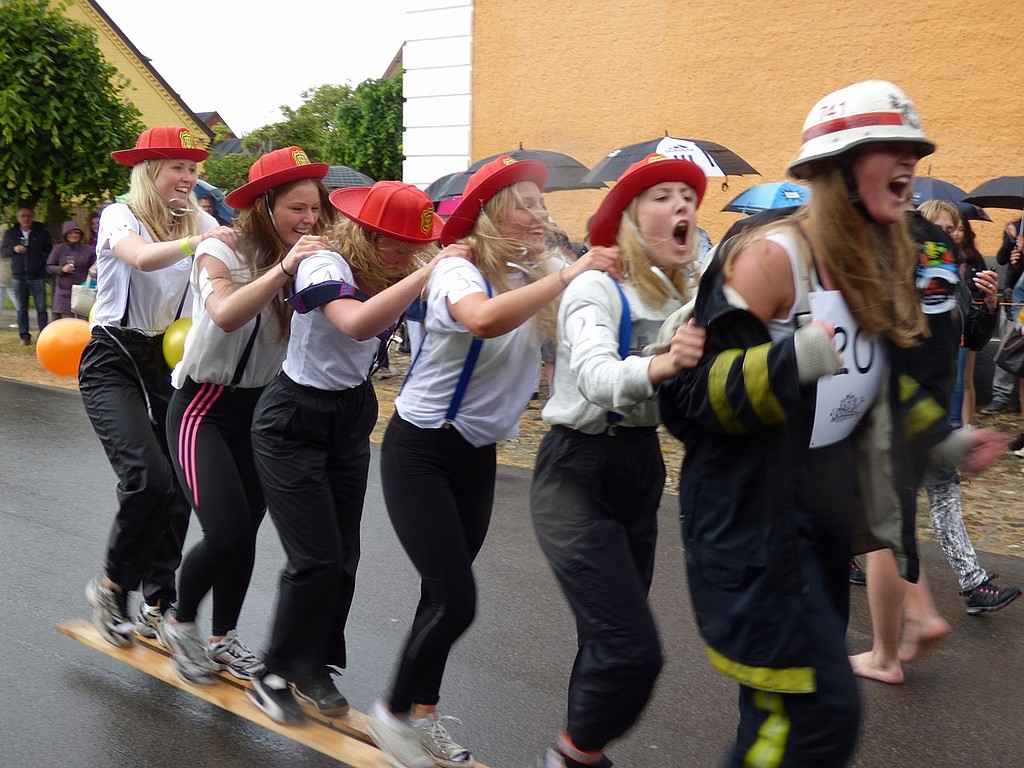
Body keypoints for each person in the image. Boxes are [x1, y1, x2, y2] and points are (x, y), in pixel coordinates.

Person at [658, 80, 1003, 766]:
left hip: (818, 523)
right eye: (890, 148)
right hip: (752, 525)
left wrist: (949, 441)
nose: (909, 162)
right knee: (815, 716)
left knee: (795, 718)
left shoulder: (880, 261)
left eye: (914, 150)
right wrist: (798, 357)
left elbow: (883, 391)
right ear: (836, 169)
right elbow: (688, 399)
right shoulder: (771, 259)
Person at [367, 156, 620, 768]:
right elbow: (481, 320)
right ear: (490, 216)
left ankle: (421, 714)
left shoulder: (540, 269)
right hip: (422, 449)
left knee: (438, 597)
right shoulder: (458, 269)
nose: (540, 213)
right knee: (456, 600)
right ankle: (392, 714)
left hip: (478, 455)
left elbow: (596, 291)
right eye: (524, 203)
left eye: (541, 202)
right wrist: (569, 273)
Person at [246, 178, 458, 725]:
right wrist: (428, 271)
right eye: (394, 244)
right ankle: (272, 673)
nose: (405, 256)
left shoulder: (398, 270)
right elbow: (356, 322)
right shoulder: (323, 262)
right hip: (293, 418)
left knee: (343, 558)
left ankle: (312, 663)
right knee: (314, 558)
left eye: (414, 247)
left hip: (351, 412)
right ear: (366, 233)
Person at [530, 153, 707, 768]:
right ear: (631, 218)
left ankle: (583, 752)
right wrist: (665, 362)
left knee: (604, 639)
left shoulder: (686, 292)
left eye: (688, 196)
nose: (682, 205)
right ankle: (572, 755)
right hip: (575, 471)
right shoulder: (595, 287)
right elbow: (596, 376)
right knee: (632, 650)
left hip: (639, 465)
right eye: (663, 195)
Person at [159, 147, 333, 684]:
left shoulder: (310, 259)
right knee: (227, 530)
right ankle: (179, 622)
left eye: (315, 209)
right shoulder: (222, 249)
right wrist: (285, 268)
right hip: (202, 408)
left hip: (261, 411)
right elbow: (226, 314)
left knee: (247, 532)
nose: (309, 219)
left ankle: (223, 637)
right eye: (296, 208)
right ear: (264, 206)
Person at [81, 126, 235, 648]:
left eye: (193, 169)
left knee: (180, 487)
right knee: (148, 479)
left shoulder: (202, 221)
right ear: (150, 172)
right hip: (113, 355)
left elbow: (233, 256)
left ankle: (158, 601)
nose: (188, 178)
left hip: (170, 356)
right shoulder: (119, 215)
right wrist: (198, 241)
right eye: (177, 167)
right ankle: (110, 588)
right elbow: (143, 258)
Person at [849, 201, 1015, 686]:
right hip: (927, 396)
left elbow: (903, 332)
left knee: (881, 521)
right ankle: (919, 615)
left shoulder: (891, 238)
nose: (948, 233)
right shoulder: (935, 249)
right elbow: (949, 330)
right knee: (893, 514)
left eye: (953, 227)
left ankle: (889, 650)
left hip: (900, 396)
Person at [950, 217, 987, 427]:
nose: (955, 233)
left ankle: (965, 422)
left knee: (964, 377)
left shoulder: (974, 260)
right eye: (951, 229)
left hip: (967, 323)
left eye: (959, 229)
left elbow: (979, 290)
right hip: (948, 324)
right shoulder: (942, 257)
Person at [984, 218, 1023, 416]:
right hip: (1013, 298)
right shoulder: (1015, 227)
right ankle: (1001, 396)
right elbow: (1001, 259)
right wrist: (1011, 240)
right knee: (1007, 346)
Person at [1, 206, 53, 344]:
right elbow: (3, 252)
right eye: (22, 216)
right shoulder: (11, 233)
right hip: (19, 275)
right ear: (18, 218)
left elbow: (49, 252)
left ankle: (43, 335)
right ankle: (24, 336)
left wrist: (41, 264)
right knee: (21, 308)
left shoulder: (41, 232)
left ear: (33, 217)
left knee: (41, 308)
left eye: (28, 216)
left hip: (37, 275)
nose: (26, 219)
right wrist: (14, 249)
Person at [46, 221, 96, 319]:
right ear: (65, 234)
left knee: (83, 323)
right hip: (64, 293)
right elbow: (49, 267)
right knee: (67, 324)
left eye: (77, 233)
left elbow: (96, 266)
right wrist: (61, 269)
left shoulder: (89, 250)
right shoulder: (58, 249)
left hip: (83, 291)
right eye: (71, 233)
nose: (74, 235)